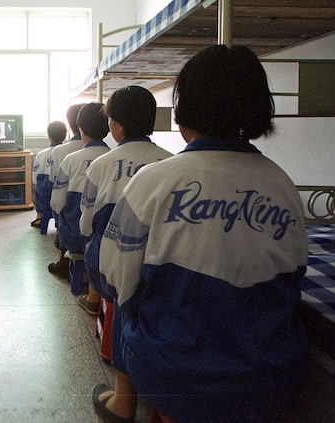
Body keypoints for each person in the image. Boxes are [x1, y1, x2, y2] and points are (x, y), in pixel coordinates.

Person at [92, 45, 309, 423]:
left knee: (129, 301)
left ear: (182, 113)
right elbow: (294, 278)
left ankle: (123, 403)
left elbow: (114, 276)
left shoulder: (154, 182)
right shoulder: (284, 185)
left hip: (175, 374)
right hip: (272, 377)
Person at [79, 86, 172, 420]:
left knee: (122, 290)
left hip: (114, 267)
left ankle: (123, 398)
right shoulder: (171, 162)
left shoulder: (102, 165)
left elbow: (86, 224)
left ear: (115, 125)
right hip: (165, 270)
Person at [50, 102, 110, 300]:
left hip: (77, 236)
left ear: (81, 130)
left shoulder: (71, 159)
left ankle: (64, 261)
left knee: (65, 211)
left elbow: (57, 203)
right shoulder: (113, 158)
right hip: (111, 236)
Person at [47, 103, 86, 278]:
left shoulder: (60, 152)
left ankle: (63, 260)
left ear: (71, 125)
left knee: (63, 209)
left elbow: (55, 191)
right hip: (97, 219)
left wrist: (57, 222)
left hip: (71, 218)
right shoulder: (108, 153)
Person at [31, 121, 67, 228]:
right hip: (62, 198)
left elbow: (34, 179)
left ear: (49, 136)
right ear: (65, 135)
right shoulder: (69, 154)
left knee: (40, 185)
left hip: (44, 199)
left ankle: (39, 216)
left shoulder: (41, 155)